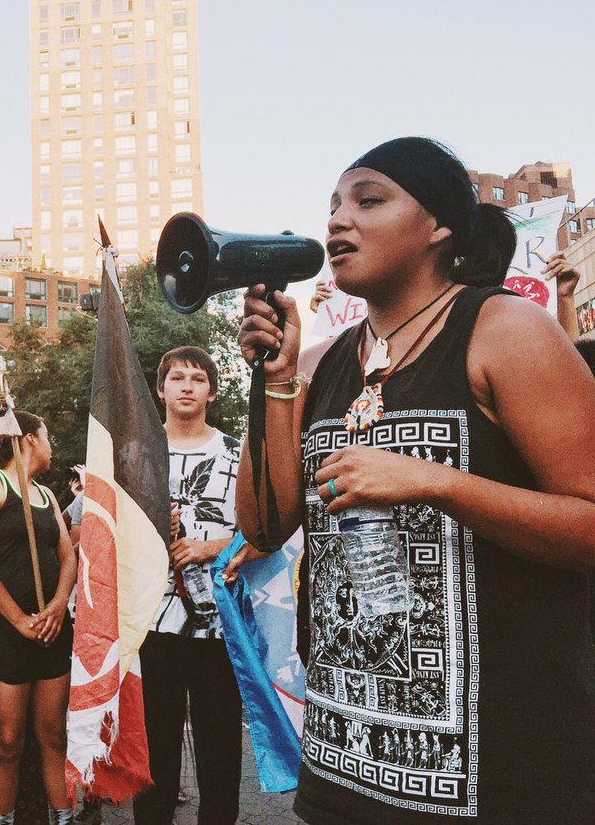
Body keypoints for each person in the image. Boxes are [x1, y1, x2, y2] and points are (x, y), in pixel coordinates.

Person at [237, 136, 595, 822]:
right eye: (334, 206)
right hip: (345, 764)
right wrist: (276, 380)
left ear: (439, 227)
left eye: (369, 200)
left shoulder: (505, 331)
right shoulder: (314, 364)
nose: (339, 220)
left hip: (499, 775)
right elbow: (260, 526)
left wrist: (436, 483)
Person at [134, 346, 255, 825]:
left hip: (219, 621)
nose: (187, 385)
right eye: (177, 377)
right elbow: (108, 531)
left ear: (212, 391)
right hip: (151, 617)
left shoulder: (236, 449)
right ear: (160, 389)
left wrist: (211, 548)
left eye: (198, 378)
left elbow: (263, 528)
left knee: (219, 744)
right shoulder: (135, 451)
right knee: (156, 744)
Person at [0, 409, 77, 825]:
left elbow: (67, 557)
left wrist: (56, 607)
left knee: (54, 736)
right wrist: (18, 620)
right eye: (47, 437)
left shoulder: (46, 494)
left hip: (51, 630)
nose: (52, 448)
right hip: (5, 632)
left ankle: (64, 817)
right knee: (8, 742)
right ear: (29, 438)